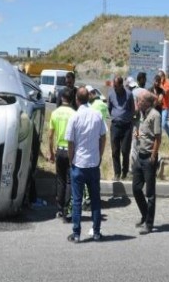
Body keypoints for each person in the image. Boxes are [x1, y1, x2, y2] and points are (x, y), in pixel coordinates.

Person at [65, 87, 107, 243]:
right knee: (95, 199)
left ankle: (76, 234)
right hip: (93, 164)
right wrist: (100, 154)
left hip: (79, 164)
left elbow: (70, 142)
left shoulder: (75, 117)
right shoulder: (97, 115)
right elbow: (103, 137)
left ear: (77, 99)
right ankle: (96, 232)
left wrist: (71, 159)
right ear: (88, 98)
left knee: (77, 201)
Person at [132, 91, 161, 234]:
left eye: (141, 100)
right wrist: (138, 135)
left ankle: (149, 224)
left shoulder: (155, 115)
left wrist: (153, 156)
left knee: (150, 193)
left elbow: (157, 138)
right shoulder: (141, 113)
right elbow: (145, 132)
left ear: (148, 102)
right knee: (136, 189)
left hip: (149, 157)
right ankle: (145, 214)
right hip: (139, 156)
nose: (138, 101)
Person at [48, 87, 76, 223]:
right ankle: (67, 211)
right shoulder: (74, 114)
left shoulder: (55, 113)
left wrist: (51, 151)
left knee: (60, 180)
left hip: (59, 150)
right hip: (71, 151)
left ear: (62, 98)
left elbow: (50, 135)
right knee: (70, 181)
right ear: (72, 99)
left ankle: (59, 209)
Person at [107, 76, 135, 181]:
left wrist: (126, 118)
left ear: (121, 85)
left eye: (116, 86)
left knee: (125, 150)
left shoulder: (129, 94)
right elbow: (109, 108)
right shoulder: (110, 94)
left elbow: (132, 109)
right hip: (115, 126)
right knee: (115, 151)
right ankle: (117, 173)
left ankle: (125, 172)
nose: (114, 88)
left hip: (127, 126)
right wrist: (116, 117)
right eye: (114, 86)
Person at [157, 69, 169, 146]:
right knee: (158, 125)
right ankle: (158, 141)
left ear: (163, 77)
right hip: (158, 107)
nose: (159, 78)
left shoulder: (168, 84)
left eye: (160, 77)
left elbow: (165, 92)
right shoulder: (157, 84)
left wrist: (160, 84)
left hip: (165, 107)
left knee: (164, 124)